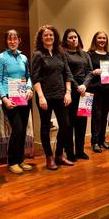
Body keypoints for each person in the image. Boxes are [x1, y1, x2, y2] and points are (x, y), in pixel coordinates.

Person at [31, 25, 73, 170]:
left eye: (51, 35)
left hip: (61, 94)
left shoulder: (60, 53)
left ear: (55, 37)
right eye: (45, 35)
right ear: (41, 38)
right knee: (45, 126)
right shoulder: (38, 54)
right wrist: (41, 97)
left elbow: (67, 74)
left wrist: (68, 92)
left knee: (66, 125)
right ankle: (49, 157)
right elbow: (34, 78)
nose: (49, 37)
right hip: (45, 96)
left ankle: (59, 155)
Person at [0, 29, 33, 174]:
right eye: (10, 39)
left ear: (19, 40)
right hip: (10, 100)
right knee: (17, 129)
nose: (12, 41)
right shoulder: (1, 57)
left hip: (24, 98)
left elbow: (28, 76)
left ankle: (20, 160)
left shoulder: (23, 58)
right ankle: (12, 161)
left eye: (15, 38)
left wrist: (29, 88)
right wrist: (4, 98)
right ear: (6, 41)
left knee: (23, 130)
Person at [61, 28, 92, 161]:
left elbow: (90, 72)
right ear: (66, 40)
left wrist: (85, 85)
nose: (74, 39)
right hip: (70, 91)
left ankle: (80, 150)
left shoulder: (85, 54)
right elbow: (66, 73)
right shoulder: (63, 54)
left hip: (84, 91)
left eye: (75, 37)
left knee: (82, 122)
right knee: (69, 123)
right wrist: (76, 86)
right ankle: (70, 152)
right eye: (71, 38)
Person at [88, 31, 109, 153]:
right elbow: (87, 71)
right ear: (95, 39)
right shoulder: (90, 54)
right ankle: (94, 142)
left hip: (108, 88)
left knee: (105, 115)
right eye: (99, 38)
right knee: (97, 115)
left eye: (104, 38)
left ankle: (102, 140)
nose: (102, 40)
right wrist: (94, 72)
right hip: (96, 88)